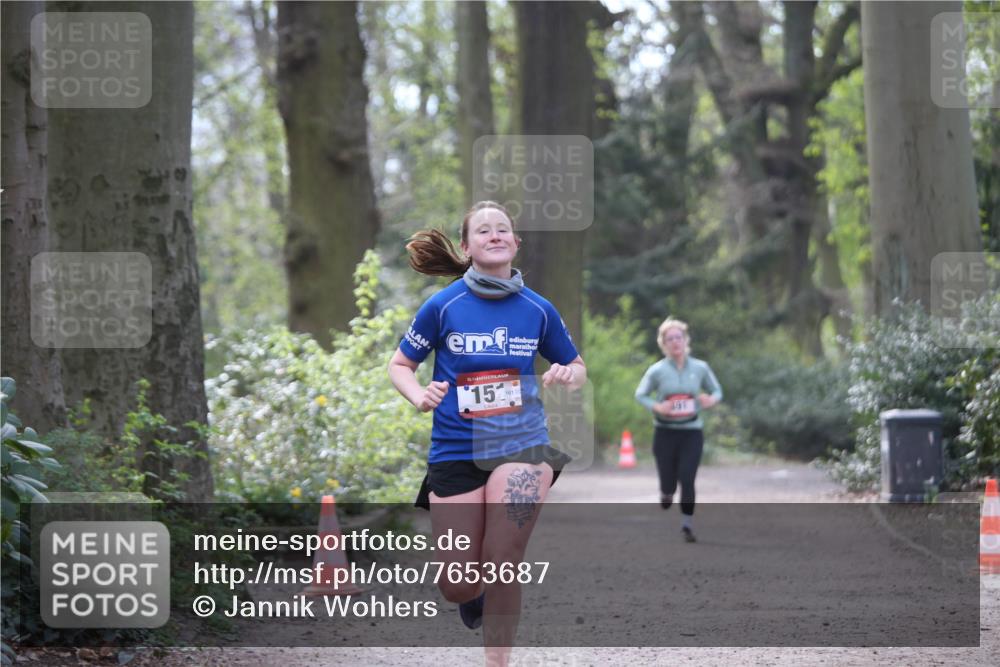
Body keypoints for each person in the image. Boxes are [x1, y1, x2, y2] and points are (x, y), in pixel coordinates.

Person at [388, 201, 586, 666]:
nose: (494, 235)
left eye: (502, 229)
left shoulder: (538, 310)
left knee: (503, 559)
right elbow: (400, 365)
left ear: (516, 242)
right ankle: (473, 596)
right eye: (483, 230)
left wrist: (566, 374)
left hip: (523, 445)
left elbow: (576, 366)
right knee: (456, 583)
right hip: (455, 449)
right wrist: (418, 395)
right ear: (466, 247)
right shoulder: (443, 306)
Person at [634, 317, 722, 543]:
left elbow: (717, 391)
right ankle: (666, 493)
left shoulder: (700, 368)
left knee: (687, 477)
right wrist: (657, 406)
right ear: (663, 343)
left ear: (686, 340)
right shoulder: (657, 370)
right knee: (669, 483)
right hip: (665, 433)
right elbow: (640, 394)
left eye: (678, 337)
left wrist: (711, 399)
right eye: (670, 339)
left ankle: (687, 524)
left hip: (692, 432)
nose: (675, 342)